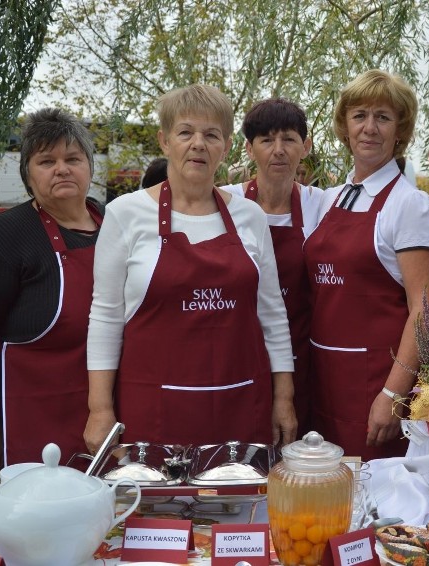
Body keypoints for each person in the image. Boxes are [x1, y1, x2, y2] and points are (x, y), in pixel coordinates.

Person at [84, 84, 297, 453]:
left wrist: (284, 397)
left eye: (211, 134)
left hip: (241, 405)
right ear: (165, 141)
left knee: (237, 505)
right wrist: (99, 409)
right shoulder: (125, 214)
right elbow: (105, 317)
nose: (198, 143)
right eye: (186, 132)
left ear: (227, 147)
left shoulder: (250, 216)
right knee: (157, 509)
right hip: (155, 411)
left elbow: (273, 315)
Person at [0, 108, 103, 474]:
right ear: (28, 175)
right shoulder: (3, 239)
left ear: (89, 168)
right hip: (37, 421)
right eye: (47, 161)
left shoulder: (117, 226)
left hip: (112, 417)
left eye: (73, 159)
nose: (61, 169)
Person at [303, 69, 429, 459]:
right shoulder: (330, 199)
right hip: (323, 381)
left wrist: (392, 393)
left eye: (383, 117)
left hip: (373, 386)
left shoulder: (409, 204)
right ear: (344, 127)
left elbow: (424, 311)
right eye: (359, 115)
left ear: (400, 130)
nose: (369, 127)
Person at [220, 98, 323, 437]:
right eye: (266, 140)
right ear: (249, 148)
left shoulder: (321, 205)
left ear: (305, 147)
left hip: (300, 358)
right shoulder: (225, 202)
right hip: (236, 356)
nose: (278, 150)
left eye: (289, 139)